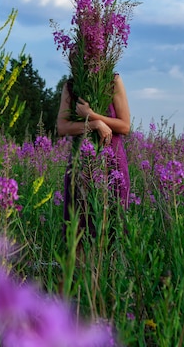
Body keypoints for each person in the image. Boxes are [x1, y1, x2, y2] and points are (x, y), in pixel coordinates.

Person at [56, 73, 131, 238]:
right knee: (79, 227)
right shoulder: (71, 86)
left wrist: (92, 115)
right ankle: (81, 264)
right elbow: (62, 127)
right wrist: (94, 124)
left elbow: (125, 126)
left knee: (115, 225)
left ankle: (111, 264)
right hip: (81, 162)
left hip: (112, 161)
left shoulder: (113, 81)